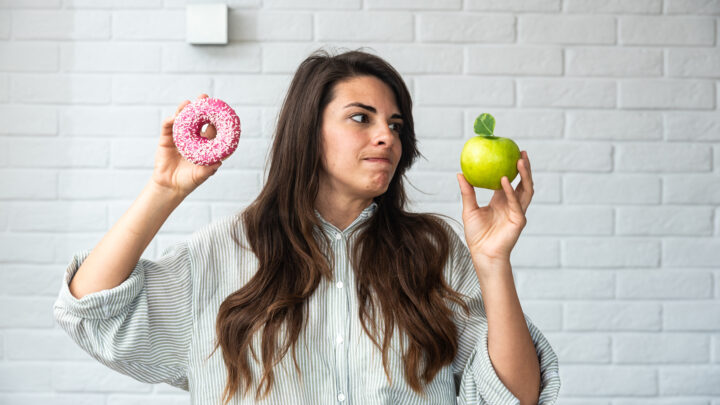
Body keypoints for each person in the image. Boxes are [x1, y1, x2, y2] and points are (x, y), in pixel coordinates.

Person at [53, 48, 560, 405]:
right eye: (361, 118)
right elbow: (90, 311)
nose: (386, 135)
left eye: (396, 125)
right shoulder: (228, 249)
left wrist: (493, 262)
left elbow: (516, 396)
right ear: (307, 132)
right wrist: (165, 190)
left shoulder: (435, 249)